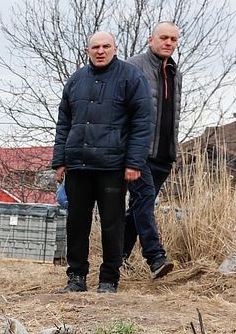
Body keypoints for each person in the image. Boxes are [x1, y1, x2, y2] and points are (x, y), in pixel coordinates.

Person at [51, 31, 153, 294]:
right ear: (87, 51)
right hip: (79, 165)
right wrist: (59, 161)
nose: (100, 51)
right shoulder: (75, 81)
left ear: (115, 48)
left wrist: (134, 162)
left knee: (112, 225)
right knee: (76, 224)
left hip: (113, 166)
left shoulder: (131, 78)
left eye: (106, 46)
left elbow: (142, 123)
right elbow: (64, 123)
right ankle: (76, 277)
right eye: (95, 47)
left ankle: (109, 278)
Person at [124, 21, 181, 279]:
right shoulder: (134, 67)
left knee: (138, 206)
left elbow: (173, 114)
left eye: (173, 39)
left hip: (163, 154)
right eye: (164, 38)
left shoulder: (174, 72)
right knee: (145, 200)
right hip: (139, 153)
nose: (168, 43)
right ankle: (156, 258)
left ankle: (117, 257)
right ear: (151, 39)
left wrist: (172, 150)